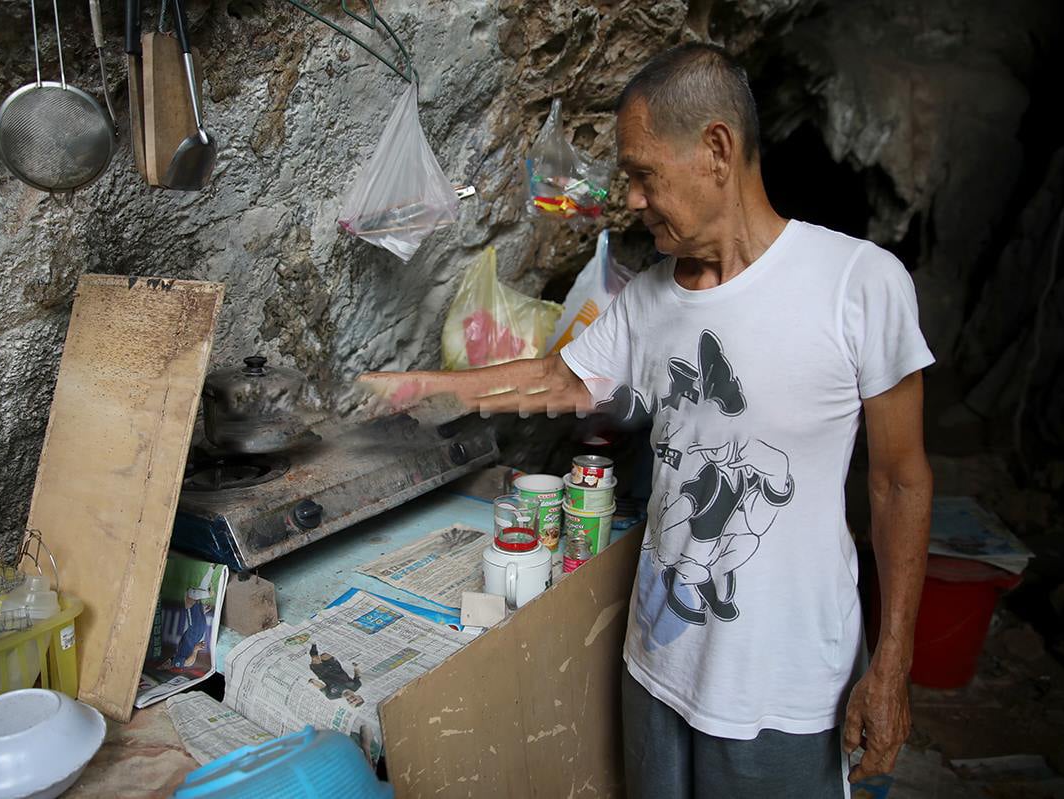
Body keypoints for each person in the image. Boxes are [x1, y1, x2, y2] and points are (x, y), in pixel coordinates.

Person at [361, 42, 934, 798]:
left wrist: (892, 666)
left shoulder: (859, 286)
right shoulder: (651, 298)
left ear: (717, 151)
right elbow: (554, 378)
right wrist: (419, 386)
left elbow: (899, 482)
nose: (630, 198)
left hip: (786, 692)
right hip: (656, 666)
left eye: (642, 173)